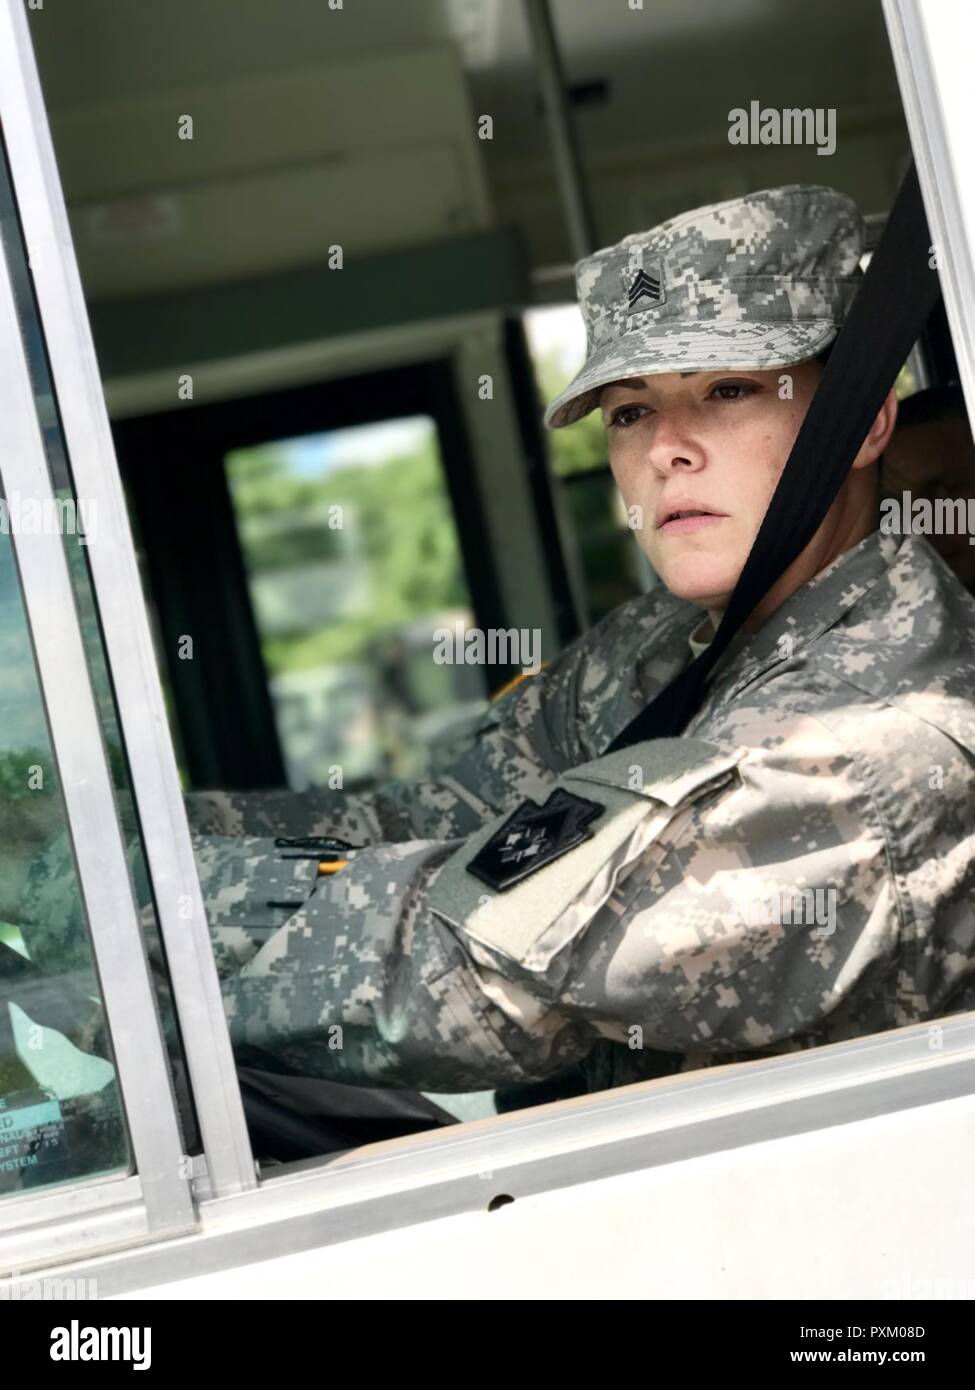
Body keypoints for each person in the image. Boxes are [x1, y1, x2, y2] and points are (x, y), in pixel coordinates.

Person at [13, 185, 975, 1102]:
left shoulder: (864, 746)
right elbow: (422, 820)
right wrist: (101, 840)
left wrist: (111, 900)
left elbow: (478, 972)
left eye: (726, 389)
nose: (664, 449)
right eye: (631, 409)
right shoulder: (664, 649)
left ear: (865, 422)